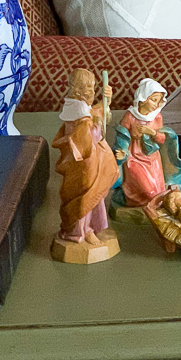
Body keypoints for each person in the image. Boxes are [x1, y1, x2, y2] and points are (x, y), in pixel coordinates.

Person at [51, 69, 118, 248]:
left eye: (94, 86)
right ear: (81, 88)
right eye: (90, 86)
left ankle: (89, 228)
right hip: (82, 163)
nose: (92, 90)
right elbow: (86, 139)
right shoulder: (78, 110)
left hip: (89, 161)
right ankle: (78, 231)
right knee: (83, 195)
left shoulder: (78, 106)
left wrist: (106, 102)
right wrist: (96, 123)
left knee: (92, 194)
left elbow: (94, 111)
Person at [114, 78, 181, 208]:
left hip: (151, 157)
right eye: (154, 99)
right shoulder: (130, 116)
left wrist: (152, 132)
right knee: (148, 192)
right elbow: (122, 136)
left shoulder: (157, 116)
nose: (156, 104)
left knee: (157, 193)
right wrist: (123, 151)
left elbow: (162, 139)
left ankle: (150, 208)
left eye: (159, 101)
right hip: (134, 158)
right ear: (143, 98)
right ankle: (132, 202)